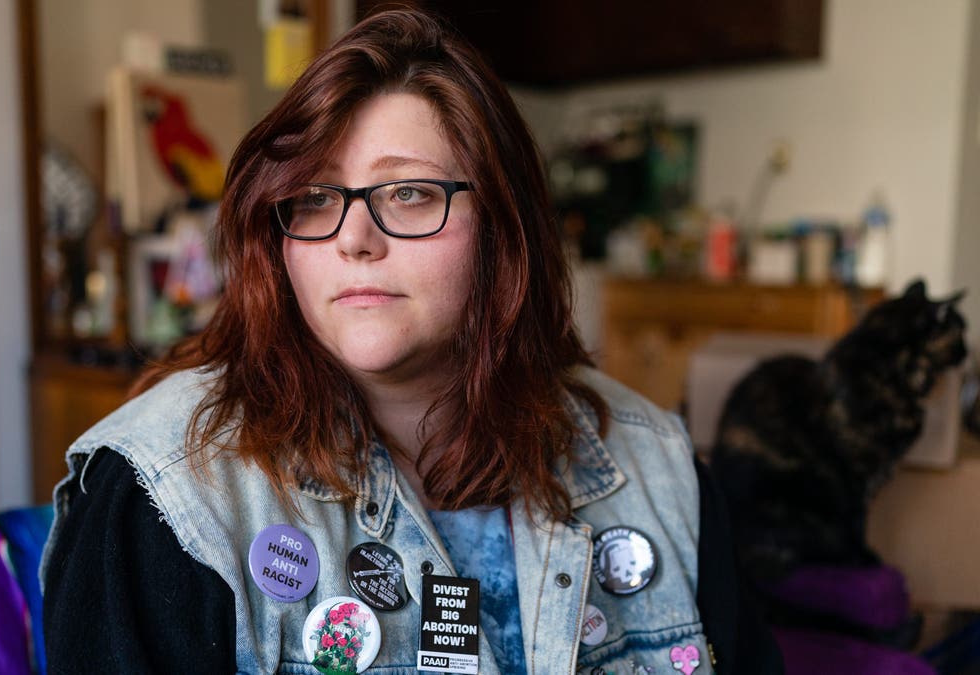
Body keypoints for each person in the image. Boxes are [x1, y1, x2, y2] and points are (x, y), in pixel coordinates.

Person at [41, 9, 783, 674]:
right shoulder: (160, 494)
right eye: (315, 197)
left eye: (410, 193)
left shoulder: (658, 466)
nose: (354, 238)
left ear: (504, 230)